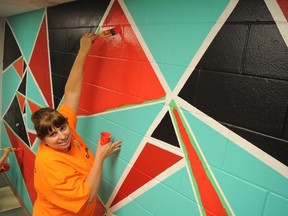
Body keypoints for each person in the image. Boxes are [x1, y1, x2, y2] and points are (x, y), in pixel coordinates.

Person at [31, 32, 122, 215]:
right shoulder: (50, 165)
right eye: (53, 134)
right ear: (43, 139)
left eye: (62, 128)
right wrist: (100, 157)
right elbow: (87, 196)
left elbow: (71, 92)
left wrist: (83, 51)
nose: (62, 135)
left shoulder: (63, 125)